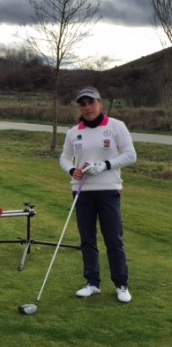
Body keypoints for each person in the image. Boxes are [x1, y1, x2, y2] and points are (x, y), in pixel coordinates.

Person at [60, 86, 137, 303]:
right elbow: (64, 158)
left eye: (91, 103)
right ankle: (93, 283)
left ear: (100, 103)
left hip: (109, 190)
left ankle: (121, 284)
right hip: (81, 191)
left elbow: (130, 155)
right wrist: (70, 169)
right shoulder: (73, 132)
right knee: (87, 239)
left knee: (113, 239)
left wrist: (105, 165)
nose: (87, 107)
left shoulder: (115, 126)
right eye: (83, 104)